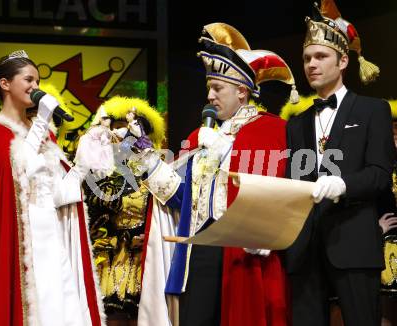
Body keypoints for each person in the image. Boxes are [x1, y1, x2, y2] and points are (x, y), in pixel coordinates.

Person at [137, 22, 299, 326]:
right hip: (200, 251)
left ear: (242, 91)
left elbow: (274, 194)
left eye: (217, 88)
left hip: (244, 254)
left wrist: (224, 151)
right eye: (209, 88)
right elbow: (180, 198)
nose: (210, 96)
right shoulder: (200, 134)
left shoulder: (272, 130)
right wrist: (144, 157)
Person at [0, 50, 105, 326]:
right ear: (5, 84)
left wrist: (83, 165)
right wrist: (41, 122)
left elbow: (59, 195)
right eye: (28, 80)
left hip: (52, 241)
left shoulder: (45, 134)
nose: (35, 88)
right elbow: (19, 170)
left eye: (37, 82)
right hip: (17, 243)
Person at [284, 1, 396, 325]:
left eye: (321, 56)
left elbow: (379, 175)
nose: (311, 64)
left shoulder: (373, 111)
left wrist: (342, 184)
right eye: (307, 58)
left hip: (355, 243)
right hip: (305, 250)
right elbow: (298, 184)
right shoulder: (297, 123)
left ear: (343, 60)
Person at [82, 97, 165, 326]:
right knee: (112, 317)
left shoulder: (156, 168)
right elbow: (92, 214)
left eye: (132, 129)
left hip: (147, 260)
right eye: (117, 127)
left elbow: (165, 210)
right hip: (110, 258)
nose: (122, 134)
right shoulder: (99, 171)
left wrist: (148, 237)